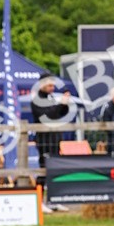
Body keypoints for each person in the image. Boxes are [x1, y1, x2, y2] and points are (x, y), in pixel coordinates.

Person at [30, 75, 73, 212]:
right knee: (43, 170)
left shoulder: (51, 98)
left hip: (55, 138)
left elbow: (59, 113)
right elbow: (46, 116)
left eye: (53, 86)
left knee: (54, 170)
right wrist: (60, 104)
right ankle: (39, 201)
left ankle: (54, 200)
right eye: (49, 85)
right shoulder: (37, 100)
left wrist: (65, 104)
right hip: (44, 139)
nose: (52, 88)